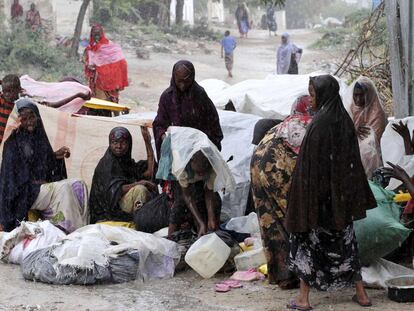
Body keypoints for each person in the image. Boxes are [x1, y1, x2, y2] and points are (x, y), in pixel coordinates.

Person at [285, 75, 376, 309]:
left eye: (313, 94)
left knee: (306, 242)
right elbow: (348, 163)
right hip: (340, 200)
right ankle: (362, 295)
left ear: (324, 94)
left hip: (319, 200)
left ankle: (303, 299)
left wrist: (304, 201)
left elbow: (311, 168)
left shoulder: (319, 124)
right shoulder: (343, 119)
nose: (310, 99)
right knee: (347, 244)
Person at [250, 96, 315, 289]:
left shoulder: (287, 122)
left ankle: (284, 275)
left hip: (258, 165)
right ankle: (304, 273)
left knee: (272, 222)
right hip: (276, 170)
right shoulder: (306, 124)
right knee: (296, 220)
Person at [0, 99, 88, 233]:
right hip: (25, 193)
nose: (29, 121)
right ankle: (69, 231)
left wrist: (55, 157)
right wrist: (32, 181)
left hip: (41, 188)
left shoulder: (39, 136)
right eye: (25, 119)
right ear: (20, 121)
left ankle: (84, 228)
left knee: (79, 185)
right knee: (63, 188)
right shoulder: (13, 144)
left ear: (37, 117)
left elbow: (42, 162)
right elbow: (10, 179)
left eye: (32, 117)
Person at [153, 60, 223, 158]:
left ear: (192, 78)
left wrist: (200, 142)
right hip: (175, 151)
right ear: (174, 78)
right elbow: (159, 124)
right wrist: (164, 136)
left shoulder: (200, 96)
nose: (182, 85)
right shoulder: (167, 97)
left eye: (186, 81)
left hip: (198, 151)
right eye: (179, 81)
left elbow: (213, 123)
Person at [89, 126, 156, 223]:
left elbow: (150, 173)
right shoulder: (108, 163)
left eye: (123, 143)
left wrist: (147, 142)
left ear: (129, 144)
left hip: (118, 206)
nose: (118, 146)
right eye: (114, 143)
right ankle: (140, 222)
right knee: (140, 190)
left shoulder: (126, 162)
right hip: (107, 212)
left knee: (150, 191)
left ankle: (142, 221)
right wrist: (140, 183)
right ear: (110, 144)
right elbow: (114, 191)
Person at [84, 24, 128, 112]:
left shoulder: (112, 47)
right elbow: (89, 64)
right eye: (94, 34)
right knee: (100, 104)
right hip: (98, 82)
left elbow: (122, 64)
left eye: (98, 33)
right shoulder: (90, 48)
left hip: (111, 81)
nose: (96, 36)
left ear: (102, 33)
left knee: (111, 104)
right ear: (91, 35)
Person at [350, 76, 387, 177]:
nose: (358, 99)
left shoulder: (377, 112)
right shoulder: (352, 107)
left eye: (362, 95)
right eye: (355, 95)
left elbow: (374, 142)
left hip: (372, 157)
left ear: (369, 95)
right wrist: (353, 131)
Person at [0, 74, 21, 145]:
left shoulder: (20, 105)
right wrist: (3, 83)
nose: (6, 94)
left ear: (18, 90)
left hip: (10, 141)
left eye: (9, 91)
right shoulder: (2, 99)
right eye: (4, 91)